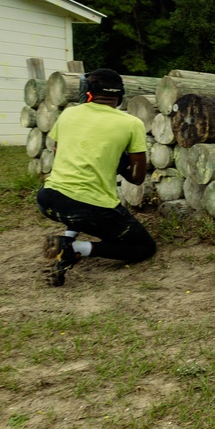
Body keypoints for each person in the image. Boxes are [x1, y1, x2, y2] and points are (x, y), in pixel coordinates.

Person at [37, 68, 157, 286]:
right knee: (144, 247)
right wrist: (121, 163)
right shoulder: (131, 124)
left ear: (88, 91)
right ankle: (75, 248)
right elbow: (137, 178)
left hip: (48, 199)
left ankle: (67, 238)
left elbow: (57, 151)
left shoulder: (69, 114)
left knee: (79, 208)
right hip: (91, 207)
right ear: (119, 95)